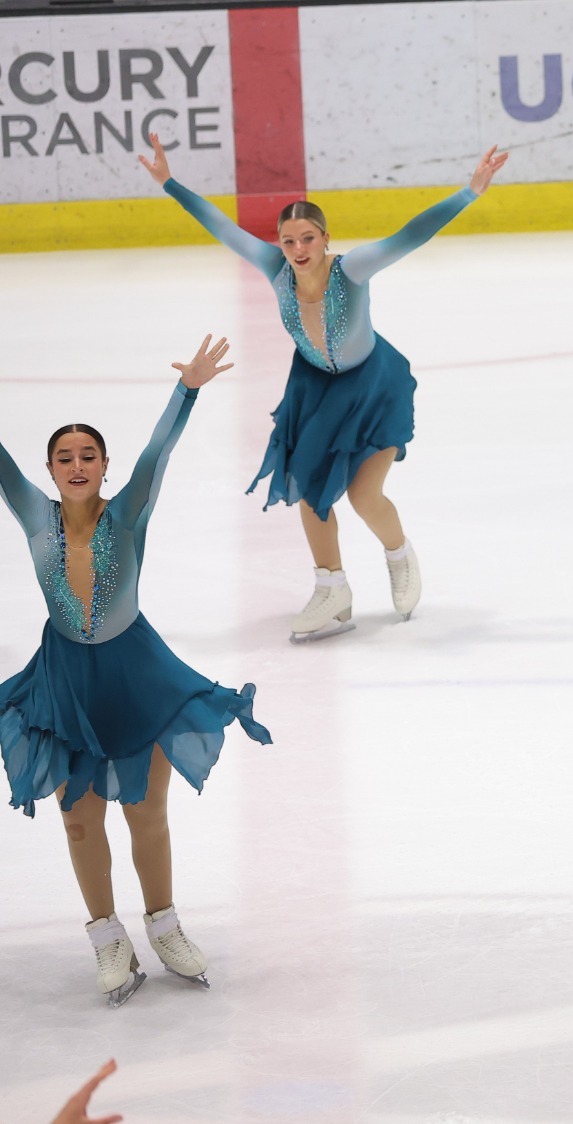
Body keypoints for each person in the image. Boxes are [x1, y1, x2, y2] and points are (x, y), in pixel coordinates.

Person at [140, 134, 508, 640]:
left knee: (363, 494)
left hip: (373, 385)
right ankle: (331, 589)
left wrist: (470, 192)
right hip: (314, 389)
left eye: (307, 239)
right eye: (288, 241)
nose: (297, 250)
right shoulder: (275, 270)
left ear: (325, 238)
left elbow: (410, 234)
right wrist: (170, 184)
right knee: (310, 491)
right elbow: (221, 226)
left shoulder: (351, 270)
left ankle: (399, 555)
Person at [1, 336, 272, 1006]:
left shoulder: (128, 514)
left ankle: (165, 922)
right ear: (49, 468)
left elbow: (160, 450)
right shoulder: (35, 515)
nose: (76, 464)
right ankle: (105, 937)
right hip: (65, 682)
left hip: (135, 674)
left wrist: (188, 390)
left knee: (145, 813)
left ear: (103, 465)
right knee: (77, 820)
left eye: (87, 455)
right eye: (63, 457)